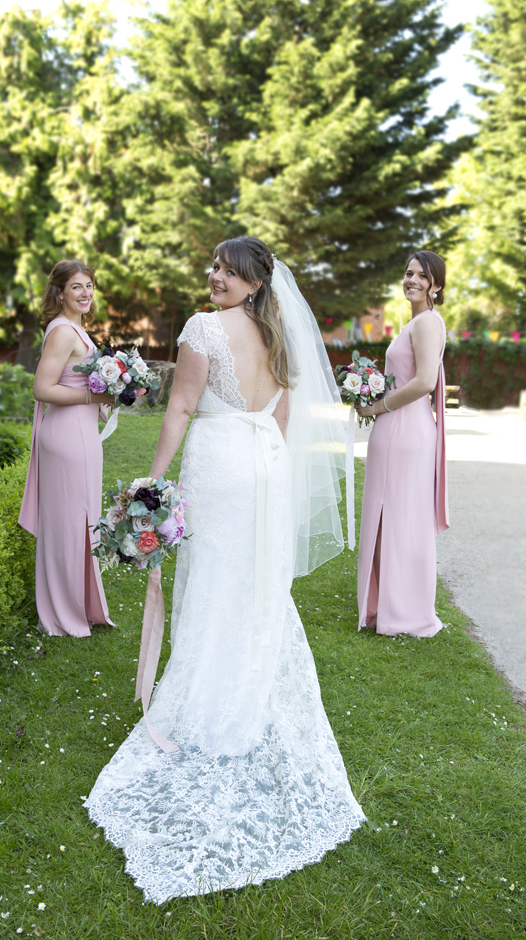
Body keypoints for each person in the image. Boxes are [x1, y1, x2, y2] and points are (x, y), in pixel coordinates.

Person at [84, 236, 365, 903]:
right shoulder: (279, 335)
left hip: (219, 462)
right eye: (212, 267)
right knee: (254, 588)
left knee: (211, 586)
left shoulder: (202, 329)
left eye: (227, 271)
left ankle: (209, 709)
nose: (214, 277)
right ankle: (242, 703)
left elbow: (181, 407)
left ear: (253, 282)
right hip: (264, 464)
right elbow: (287, 414)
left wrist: (149, 484)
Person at [19, 260, 116, 637]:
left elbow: (82, 382)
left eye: (89, 285)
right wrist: (93, 398)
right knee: (68, 524)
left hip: (81, 434)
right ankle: (63, 612)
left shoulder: (77, 329)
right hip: (66, 438)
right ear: (59, 293)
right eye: (76, 286)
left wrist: (111, 395)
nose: (86, 293)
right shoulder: (62, 332)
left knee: (83, 520)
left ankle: (81, 604)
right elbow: (42, 389)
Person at [356, 250, 449, 637]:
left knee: (400, 521)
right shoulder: (418, 322)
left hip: (405, 434)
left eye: (421, 276)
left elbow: (425, 381)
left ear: (436, 286)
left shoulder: (427, 322)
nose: (411, 280)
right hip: (401, 431)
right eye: (408, 273)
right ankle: (388, 604)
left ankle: (403, 611)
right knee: (393, 519)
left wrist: (378, 405)